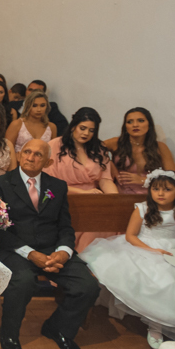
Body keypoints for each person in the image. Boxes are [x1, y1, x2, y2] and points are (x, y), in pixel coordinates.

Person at [0, 139, 100, 349]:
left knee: (88, 286)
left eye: (38, 154)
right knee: (22, 282)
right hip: (16, 249)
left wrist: (64, 251)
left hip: (52, 248)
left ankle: (59, 329)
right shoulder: (0, 183)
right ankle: (9, 335)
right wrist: (30, 253)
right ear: (19, 156)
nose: (31, 157)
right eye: (27, 152)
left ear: (48, 161)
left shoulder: (57, 186)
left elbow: (65, 226)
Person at [81, 170, 175, 349]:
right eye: (156, 189)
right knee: (158, 280)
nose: (160, 193)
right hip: (142, 247)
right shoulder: (143, 208)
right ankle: (155, 326)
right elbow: (130, 236)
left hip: (174, 248)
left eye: (167, 189)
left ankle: (172, 322)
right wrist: (152, 250)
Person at [49, 107, 119, 251]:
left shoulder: (99, 148)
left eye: (91, 130)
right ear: (73, 126)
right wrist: (83, 193)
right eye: (82, 128)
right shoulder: (54, 145)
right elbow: (50, 183)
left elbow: (105, 180)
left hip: (94, 198)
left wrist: (114, 200)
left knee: (109, 220)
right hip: (64, 197)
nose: (86, 133)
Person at [102, 107, 175, 193]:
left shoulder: (160, 147)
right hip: (121, 195)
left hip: (151, 197)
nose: (135, 125)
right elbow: (90, 149)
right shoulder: (116, 143)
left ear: (149, 125)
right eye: (130, 122)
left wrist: (143, 180)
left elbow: (174, 178)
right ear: (125, 126)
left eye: (140, 121)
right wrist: (109, 163)